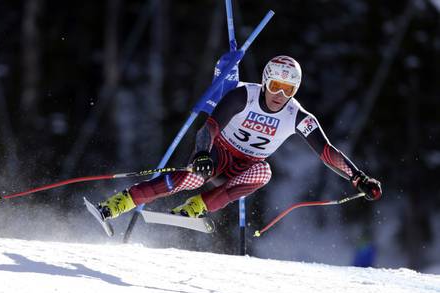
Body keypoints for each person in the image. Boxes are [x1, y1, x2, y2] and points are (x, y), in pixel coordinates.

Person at [92, 55, 382, 220]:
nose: (280, 95)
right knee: (191, 177)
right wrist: (202, 154)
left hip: (245, 166)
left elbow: (326, 151)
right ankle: (123, 201)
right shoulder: (243, 95)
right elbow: (209, 128)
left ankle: (197, 207)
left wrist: (358, 178)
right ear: (266, 80)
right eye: (277, 85)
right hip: (218, 155)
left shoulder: (298, 116)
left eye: (289, 89)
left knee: (264, 172)